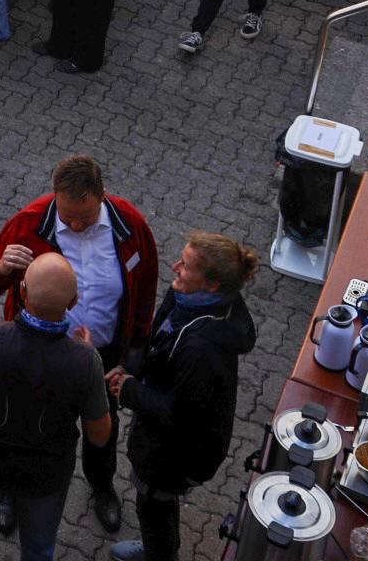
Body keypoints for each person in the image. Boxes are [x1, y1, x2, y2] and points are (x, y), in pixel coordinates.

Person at [0, 155, 160, 537]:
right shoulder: (30, 222)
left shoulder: (130, 225)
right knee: (23, 424)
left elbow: (145, 286)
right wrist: (1, 268)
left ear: (102, 196)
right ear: (55, 197)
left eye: (84, 218)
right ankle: (9, 491)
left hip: (103, 356)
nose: (74, 224)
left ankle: (102, 487)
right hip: (38, 351)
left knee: (101, 426)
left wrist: (137, 347)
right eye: (67, 216)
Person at [0, 252, 114, 561]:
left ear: (22, 291)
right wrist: (87, 357)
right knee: (38, 549)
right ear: (73, 303)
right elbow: (99, 436)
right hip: (44, 479)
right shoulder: (85, 361)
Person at [108, 234, 261, 561]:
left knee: (154, 506)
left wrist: (129, 390)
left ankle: (160, 553)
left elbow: (179, 417)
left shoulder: (201, 349)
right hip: (166, 439)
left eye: (186, 266)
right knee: (158, 505)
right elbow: (158, 343)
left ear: (212, 284)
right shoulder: (187, 297)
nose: (175, 266)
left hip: (176, 455)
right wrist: (130, 367)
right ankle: (159, 547)